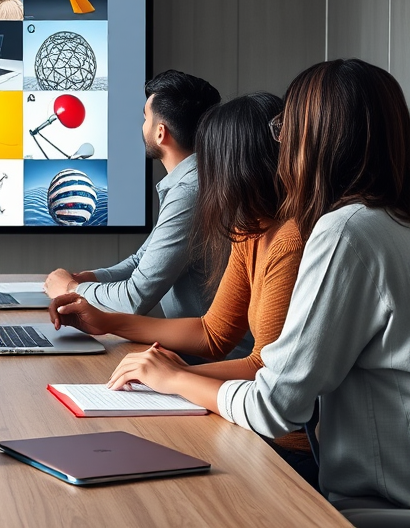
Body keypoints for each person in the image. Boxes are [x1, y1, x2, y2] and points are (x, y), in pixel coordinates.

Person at [103, 59, 410, 508]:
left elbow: (273, 403)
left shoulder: (344, 231)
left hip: (369, 506)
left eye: (288, 125)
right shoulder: (390, 223)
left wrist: (174, 378)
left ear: (321, 137)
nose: (280, 140)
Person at [49, 93, 314, 480]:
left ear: (233, 166)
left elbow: (263, 368)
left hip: (283, 446)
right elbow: (213, 332)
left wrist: (174, 379)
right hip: (242, 422)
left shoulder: (290, 241)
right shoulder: (250, 228)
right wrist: (106, 322)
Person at [44, 70, 221, 319]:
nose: (142, 126)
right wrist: (90, 279)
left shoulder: (189, 193)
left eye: (145, 118)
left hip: (202, 358)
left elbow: (134, 299)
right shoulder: (194, 181)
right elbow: (141, 260)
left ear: (160, 132)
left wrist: (72, 288)